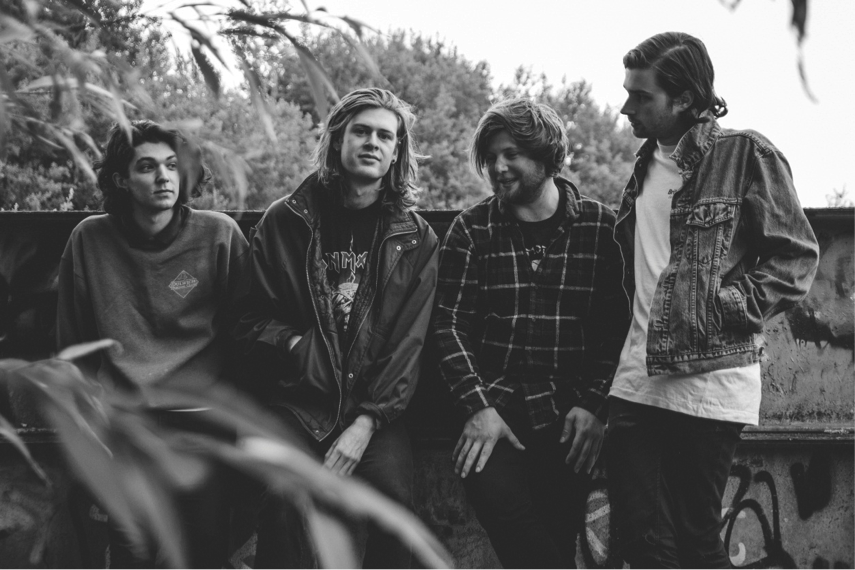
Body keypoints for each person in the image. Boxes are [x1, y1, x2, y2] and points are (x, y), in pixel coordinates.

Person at [606, 32, 820, 569]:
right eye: (627, 92)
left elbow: (796, 257)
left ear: (684, 98)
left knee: (695, 540)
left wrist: (723, 307)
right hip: (636, 380)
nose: (626, 107)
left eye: (641, 96)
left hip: (708, 380)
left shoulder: (744, 154)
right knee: (640, 540)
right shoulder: (644, 166)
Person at [233, 87, 439, 569]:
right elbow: (246, 320)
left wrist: (367, 423)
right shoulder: (286, 220)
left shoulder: (416, 239)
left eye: (384, 136)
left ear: (396, 153)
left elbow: (409, 343)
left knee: (394, 509)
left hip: (375, 409)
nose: (372, 143)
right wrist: (293, 343)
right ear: (338, 140)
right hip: (299, 403)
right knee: (283, 503)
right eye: (361, 131)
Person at [433, 98, 629, 569]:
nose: (497, 168)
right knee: (503, 505)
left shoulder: (601, 229)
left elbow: (618, 329)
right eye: (490, 157)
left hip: (570, 415)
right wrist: (478, 406)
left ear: (547, 156)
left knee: (557, 532)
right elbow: (448, 324)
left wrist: (594, 405)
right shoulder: (472, 229)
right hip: (495, 410)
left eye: (511, 154)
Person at [56, 120, 249, 568]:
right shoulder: (88, 240)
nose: (164, 176)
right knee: (131, 551)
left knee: (204, 553)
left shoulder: (219, 235)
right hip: (127, 426)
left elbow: (250, 338)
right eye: (147, 167)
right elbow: (72, 352)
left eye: (172, 165)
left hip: (202, 424)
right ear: (121, 179)